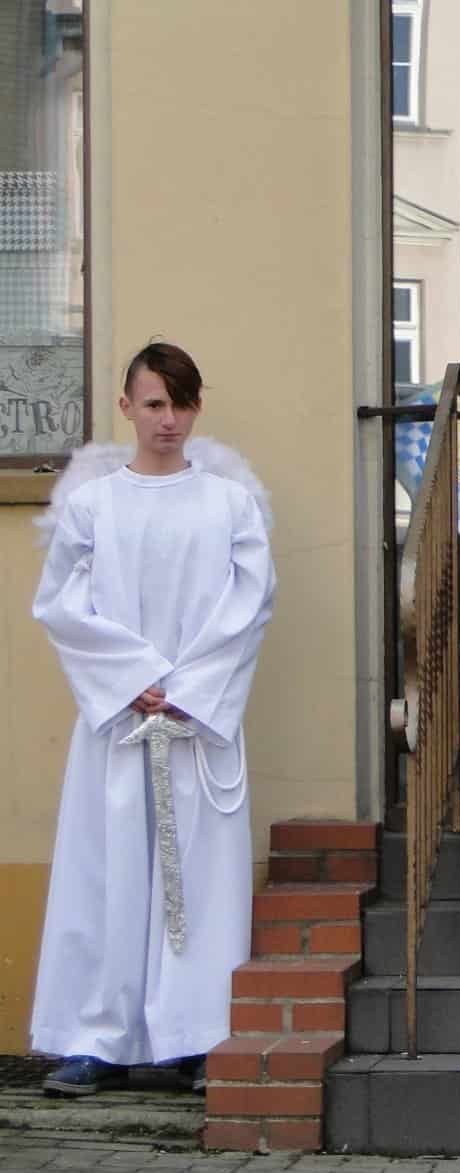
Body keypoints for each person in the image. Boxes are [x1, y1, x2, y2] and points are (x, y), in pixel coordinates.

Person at [31, 342, 276, 1097]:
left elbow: (251, 602)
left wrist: (189, 687)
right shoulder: (92, 506)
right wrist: (131, 676)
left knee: (198, 880)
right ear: (127, 408)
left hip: (196, 723)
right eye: (154, 404)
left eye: (181, 403)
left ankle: (195, 1035)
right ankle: (96, 1036)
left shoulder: (229, 505)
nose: (168, 419)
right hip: (119, 723)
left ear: (197, 407)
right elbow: (61, 605)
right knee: (108, 870)